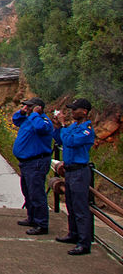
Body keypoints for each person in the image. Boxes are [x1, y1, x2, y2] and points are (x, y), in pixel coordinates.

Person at [54, 97, 96, 255]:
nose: (72, 112)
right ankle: (73, 234)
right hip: (70, 171)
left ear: (84, 112)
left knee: (80, 208)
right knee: (71, 205)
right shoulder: (74, 126)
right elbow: (61, 139)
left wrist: (64, 126)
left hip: (79, 171)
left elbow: (71, 142)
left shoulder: (86, 129)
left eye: (75, 109)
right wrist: (58, 127)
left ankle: (84, 243)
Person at [11, 97, 54, 235]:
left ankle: (42, 224)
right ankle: (32, 218)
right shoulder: (29, 119)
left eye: (30, 106)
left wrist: (35, 114)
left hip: (36, 162)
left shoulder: (43, 121)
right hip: (26, 162)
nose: (27, 108)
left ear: (38, 108)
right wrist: (22, 112)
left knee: (37, 194)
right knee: (28, 192)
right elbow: (16, 120)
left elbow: (41, 128)